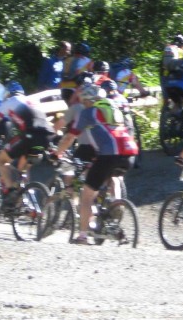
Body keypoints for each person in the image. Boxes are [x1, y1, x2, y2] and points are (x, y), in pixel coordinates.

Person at [55, 83, 139, 245]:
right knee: (110, 177)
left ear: (87, 100)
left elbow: (70, 137)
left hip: (109, 154)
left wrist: (57, 153)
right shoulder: (113, 109)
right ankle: (114, 207)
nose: (83, 103)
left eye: (83, 101)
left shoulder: (88, 112)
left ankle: (82, 236)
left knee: (86, 195)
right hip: (129, 153)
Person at [0, 82, 55, 200]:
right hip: (46, 137)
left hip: (29, 136)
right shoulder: (32, 101)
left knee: (1, 160)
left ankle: (10, 193)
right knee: (22, 169)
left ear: (8, 94)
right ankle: (22, 199)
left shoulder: (10, 102)